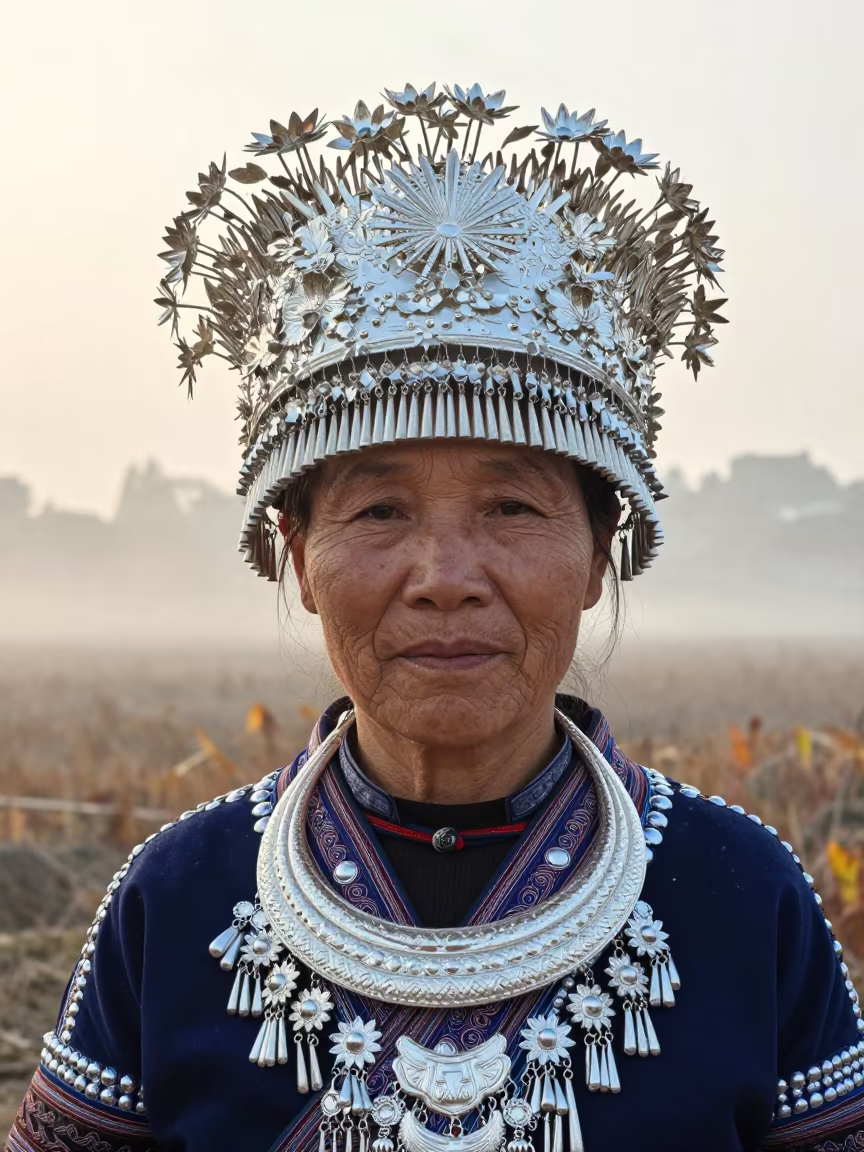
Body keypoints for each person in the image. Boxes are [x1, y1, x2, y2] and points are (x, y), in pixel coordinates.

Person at [7, 81, 863, 1152]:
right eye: (378, 510)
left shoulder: (746, 896)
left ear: (602, 556)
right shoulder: (175, 899)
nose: (445, 576)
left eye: (512, 506)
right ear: (299, 559)